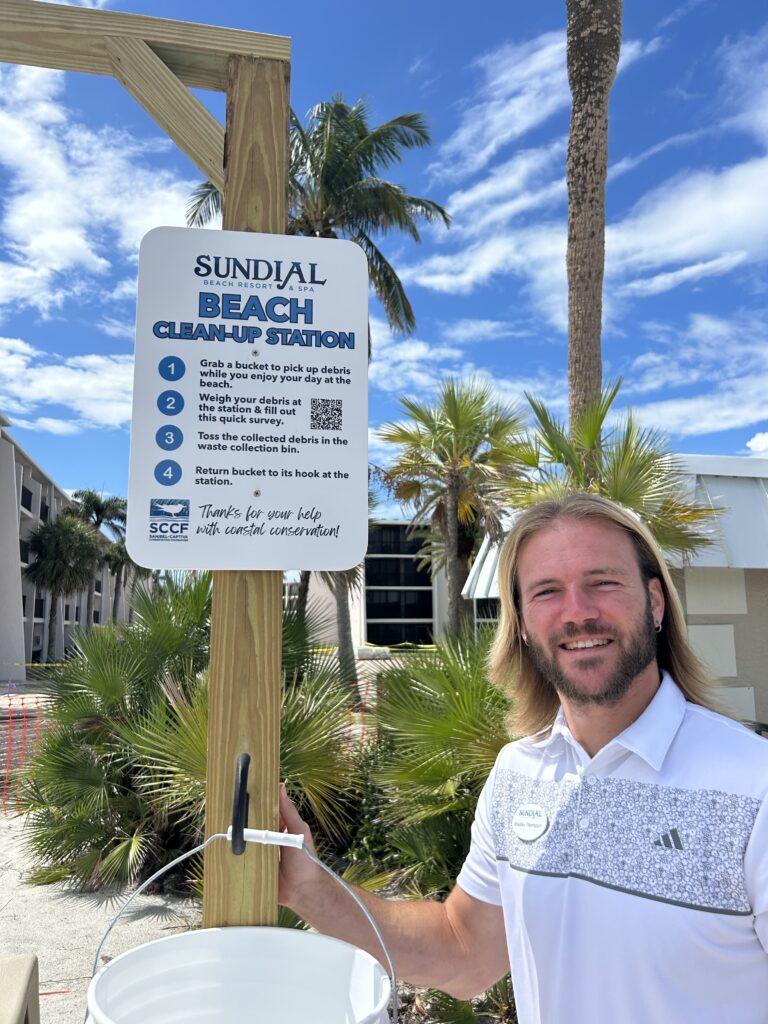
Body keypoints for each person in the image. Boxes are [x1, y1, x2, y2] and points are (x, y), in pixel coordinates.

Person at [279, 493, 768, 1023]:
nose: (577, 612)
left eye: (602, 582)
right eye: (547, 592)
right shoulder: (518, 774)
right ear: (522, 626)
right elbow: (464, 952)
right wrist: (311, 889)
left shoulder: (751, 785)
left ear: (654, 602)